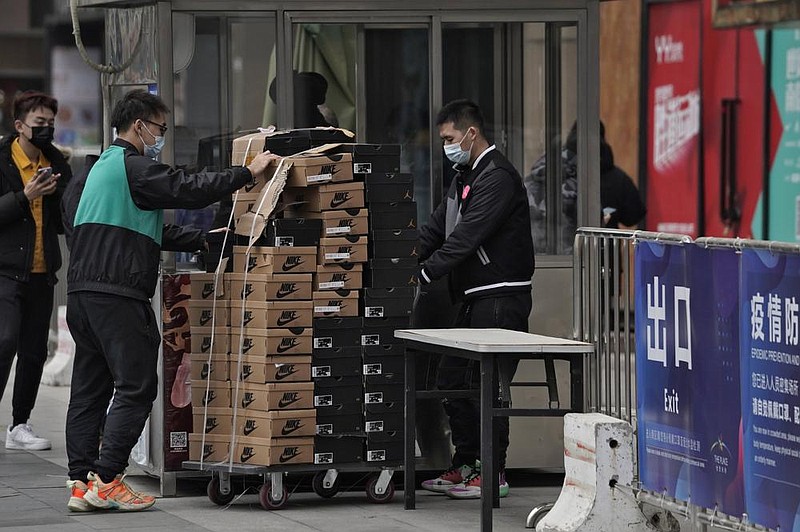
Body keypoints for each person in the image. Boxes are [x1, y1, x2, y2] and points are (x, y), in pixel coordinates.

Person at [61, 89, 278, 512]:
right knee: (137, 386)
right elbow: (188, 188)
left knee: (89, 390)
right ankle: (108, 480)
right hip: (117, 294)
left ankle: (81, 482)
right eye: (160, 128)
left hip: (84, 293)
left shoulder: (100, 170)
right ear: (139, 125)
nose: (161, 136)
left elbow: (141, 232)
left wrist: (204, 240)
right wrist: (247, 172)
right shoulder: (134, 167)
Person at [417, 99, 535, 500]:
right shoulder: (463, 175)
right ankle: (467, 462)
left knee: (488, 387)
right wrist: (403, 260)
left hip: (500, 297)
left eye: (449, 138)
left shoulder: (497, 176)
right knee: (453, 379)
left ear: (471, 133)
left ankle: (492, 471)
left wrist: (427, 271)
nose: (446, 145)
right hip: (473, 297)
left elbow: (467, 237)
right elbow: (437, 228)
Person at [0, 91, 72, 452]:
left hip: (43, 273)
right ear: (19, 126)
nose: (45, 130)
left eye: (50, 124)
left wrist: (59, 195)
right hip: (6, 271)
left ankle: (19, 425)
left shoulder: (57, 163)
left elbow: (61, 224)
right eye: (38, 124)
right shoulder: (2, 161)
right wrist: (25, 196)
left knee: (33, 351)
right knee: (4, 340)